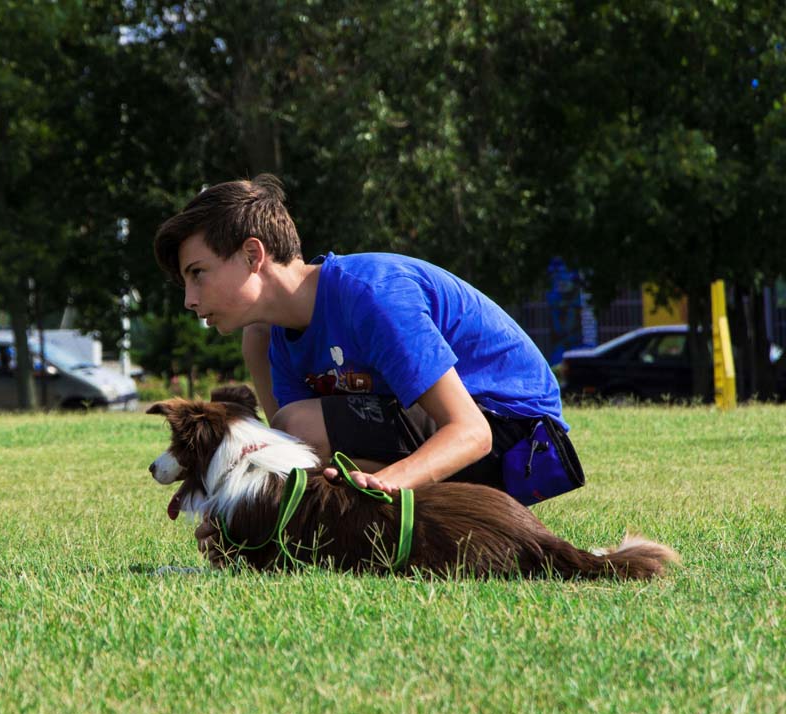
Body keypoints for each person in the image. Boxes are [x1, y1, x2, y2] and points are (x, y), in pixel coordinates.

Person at [153, 175, 583, 561]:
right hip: (434, 434)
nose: (190, 299)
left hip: (514, 437)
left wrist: (382, 486)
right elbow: (294, 465)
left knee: (300, 424)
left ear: (252, 255)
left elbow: (471, 432)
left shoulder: (370, 294)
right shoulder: (266, 337)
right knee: (301, 439)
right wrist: (244, 520)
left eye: (198, 274)